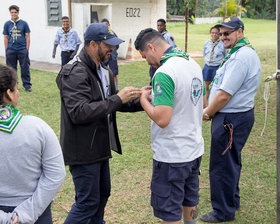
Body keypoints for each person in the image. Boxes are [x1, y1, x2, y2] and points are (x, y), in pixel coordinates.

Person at [56, 23, 143, 224]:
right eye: (108, 45)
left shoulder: (102, 69)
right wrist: (117, 99)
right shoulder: (74, 72)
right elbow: (79, 112)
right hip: (83, 150)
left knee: (102, 195)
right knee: (87, 203)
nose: (112, 49)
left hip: (99, 147)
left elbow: (111, 102)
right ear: (93, 44)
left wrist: (142, 100)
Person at [135, 28, 204, 224]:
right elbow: (203, 102)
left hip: (172, 155)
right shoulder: (192, 63)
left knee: (169, 210)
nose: (147, 61)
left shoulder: (164, 72)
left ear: (151, 47)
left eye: (144, 55)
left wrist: (143, 100)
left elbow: (162, 119)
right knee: (190, 199)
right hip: (193, 149)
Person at [200, 17, 261, 223]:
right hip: (233, 116)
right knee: (230, 160)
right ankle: (231, 201)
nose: (224, 37)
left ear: (240, 32)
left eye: (228, 33)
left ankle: (223, 212)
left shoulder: (240, 57)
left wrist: (207, 112)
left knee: (222, 164)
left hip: (231, 118)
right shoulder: (239, 52)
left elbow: (224, 95)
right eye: (222, 33)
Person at [0, 64, 66, 224]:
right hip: (36, 213)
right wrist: (27, 213)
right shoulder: (38, 127)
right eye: (16, 89)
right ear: (9, 93)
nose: (18, 93)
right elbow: (56, 174)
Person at [3, 5, 32, 92]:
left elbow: (27, 37)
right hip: (11, 49)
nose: (13, 14)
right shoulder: (7, 24)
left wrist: (26, 49)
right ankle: (13, 86)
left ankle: (27, 85)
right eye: (12, 12)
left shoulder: (24, 23)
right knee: (11, 69)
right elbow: (5, 37)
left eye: (15, 12)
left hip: (22, 49)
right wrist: (7, 49)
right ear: (10, 13)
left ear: (18, 12)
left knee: (25, 68)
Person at [202, 25, 226, 99]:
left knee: (216, 85)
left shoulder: (223, 44)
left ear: (219, 34)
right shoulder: (206, 43)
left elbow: (226, 56)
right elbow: (205, 54)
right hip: (207, 67)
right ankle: (206, 99)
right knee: (205, 84)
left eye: (216, 33)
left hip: (217, 67)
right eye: (212, 33)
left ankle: (214, 100)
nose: (214, 34)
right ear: (210, 33)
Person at [101, 18, 120, 91]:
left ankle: (116, 89)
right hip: (104, 57)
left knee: (114, 74)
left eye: (106, 25)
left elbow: (117, 45)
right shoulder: (101, 35)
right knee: (103, 72)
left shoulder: (113, 33)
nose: (105, 27)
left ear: (109, 25)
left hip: (112, 57)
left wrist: (113, 52)